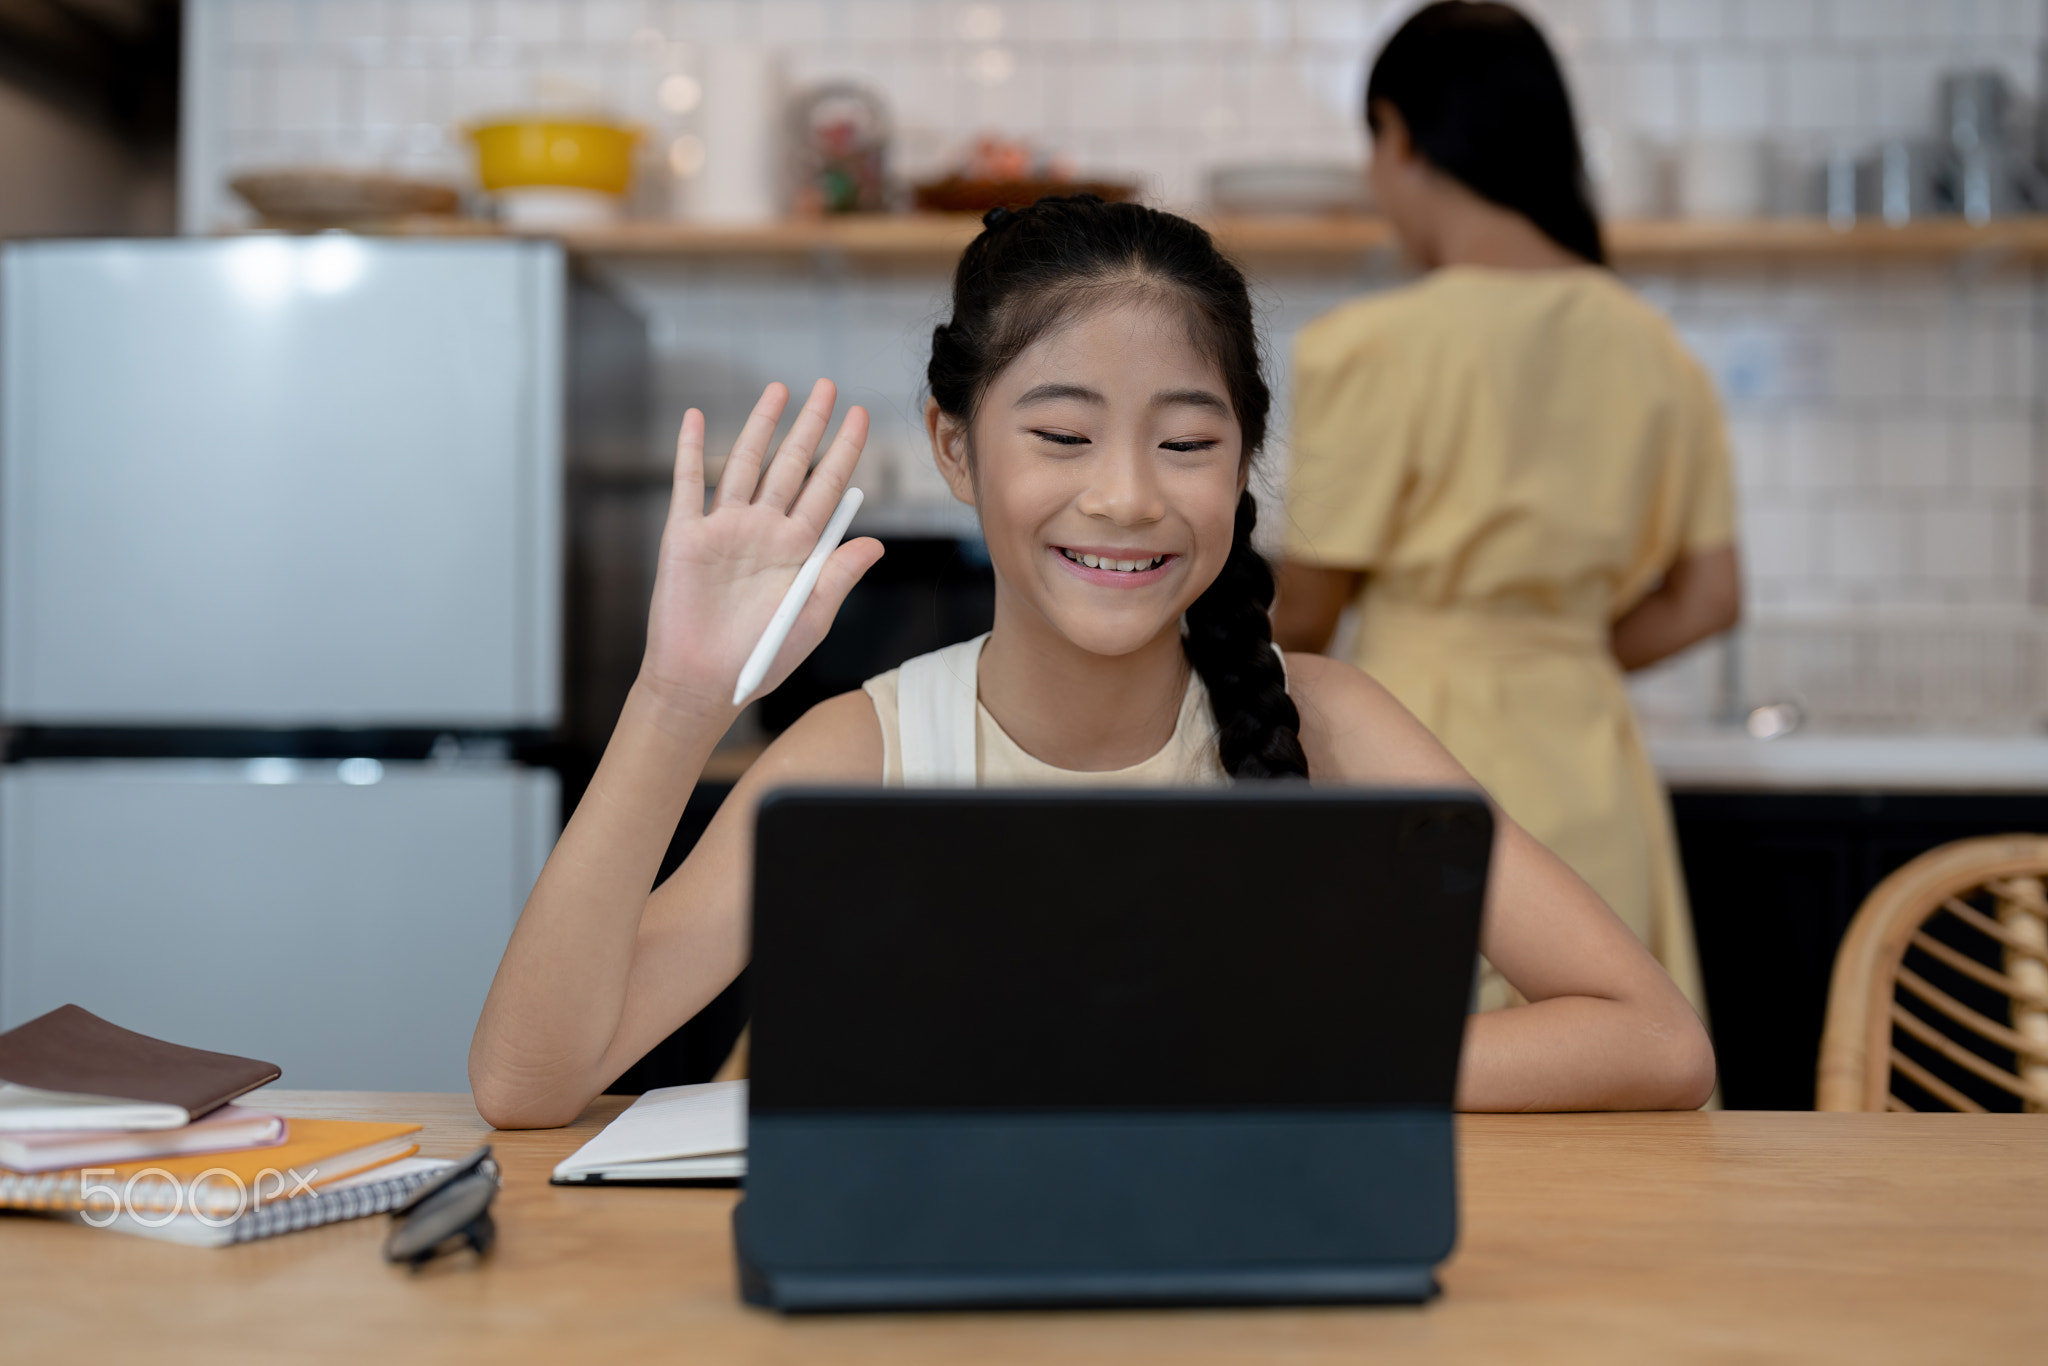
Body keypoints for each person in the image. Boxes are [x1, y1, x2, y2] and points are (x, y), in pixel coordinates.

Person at [469, 196, 1715, 1129]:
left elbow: (1657, 1042)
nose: (1124, 496)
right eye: (1061, 433)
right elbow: (530, 1083)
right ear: (954, 450)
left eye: (1184, 440)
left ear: (1241, 466)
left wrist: (1255, 1061)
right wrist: (680, 695)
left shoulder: (1331, 722)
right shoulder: (865, 752)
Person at [1274, 2, 1740, 1014]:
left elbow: (1305, 609)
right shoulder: (1656, 350)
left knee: (1423, 1062)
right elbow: (1707, 597)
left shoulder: (1370, 345)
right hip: (1588, 754)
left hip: (1415, 742)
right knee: (1600, 1074)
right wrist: (1549, 654)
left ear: (1402, 136)